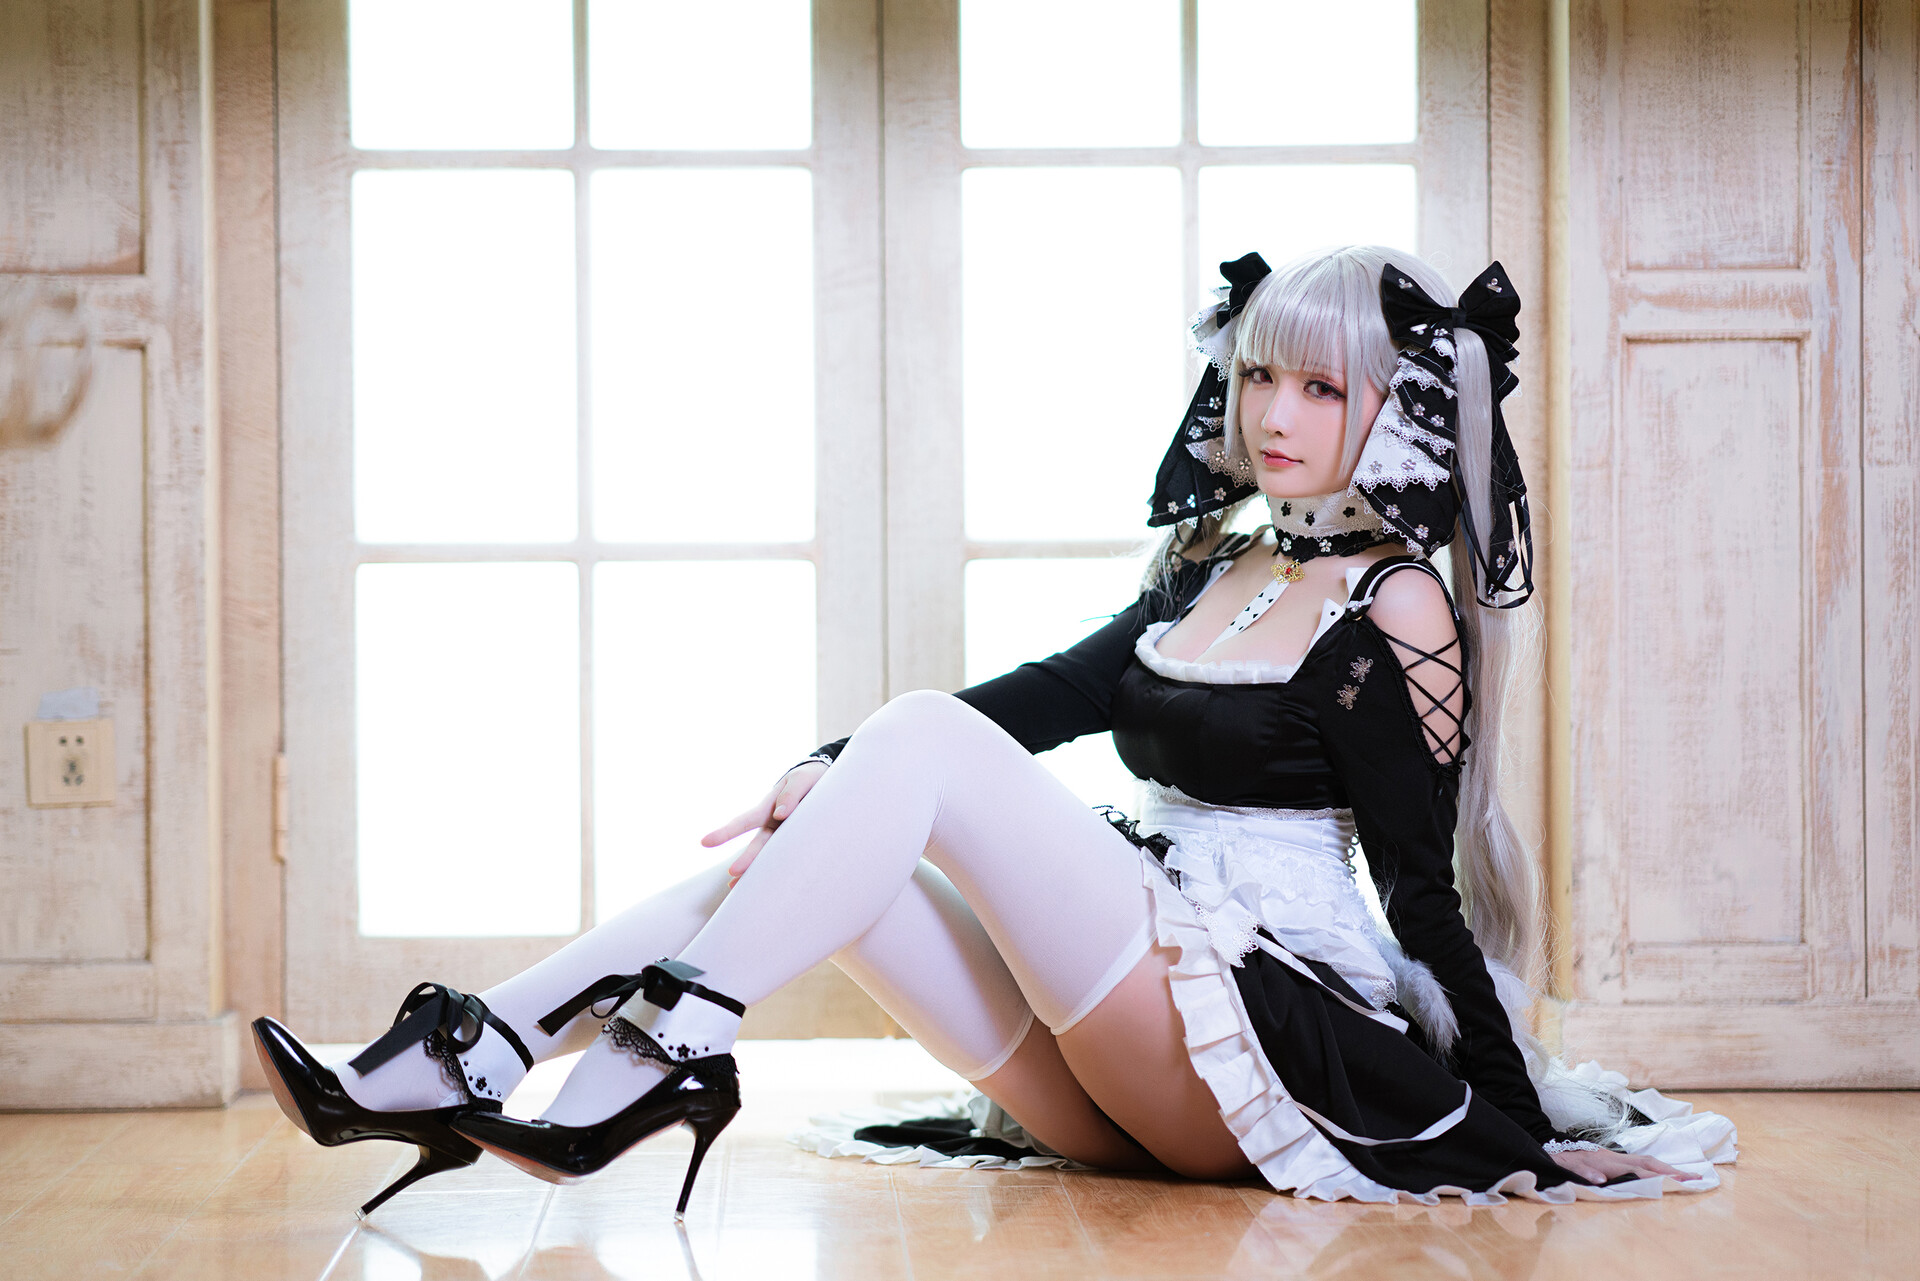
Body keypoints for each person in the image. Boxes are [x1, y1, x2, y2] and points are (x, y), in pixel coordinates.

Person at [254, 246, 1736, 1220]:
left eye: (1321, 384)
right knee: (821, 852)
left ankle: (661, 1044)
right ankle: (479, 1046)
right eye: (1258, 375)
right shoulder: (1218, 569)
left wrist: (1512, 1123)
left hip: (1254, 1042)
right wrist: (832, 770)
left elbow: (1417, 885)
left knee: (906, 742)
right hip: (1110, 1074)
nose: (1274, 412)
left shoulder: (1397, 601)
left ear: (1395, 409)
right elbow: (1035, 698)